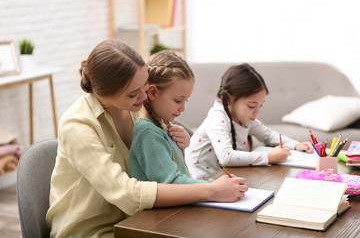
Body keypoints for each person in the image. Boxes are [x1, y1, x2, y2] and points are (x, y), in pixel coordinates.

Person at [46, 40, 248, 238]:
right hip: (92, 231)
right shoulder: (78, 126)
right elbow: (126, 193)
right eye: (134, 94)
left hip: (138, 222)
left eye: (145, 85)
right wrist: (210, 190)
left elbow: (156, 164)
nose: (145, 96)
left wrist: (180, 142)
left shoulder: (135, 110)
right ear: (105, 93)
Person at [185, 63, 313, 180]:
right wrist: (270, 157)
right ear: (229, 99)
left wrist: (296, 145)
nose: (257, 112)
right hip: (203, 182)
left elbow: (268, 135)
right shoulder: (217, 118)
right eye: (252, 106)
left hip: (224, 178)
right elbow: (226, 156)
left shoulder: (243, 118)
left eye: (260, 106)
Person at [130, 51, 209, 184]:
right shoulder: (148, 133)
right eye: (178, 100)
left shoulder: (162, 126)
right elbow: (172, 182)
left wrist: (181, 145)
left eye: (186, 101)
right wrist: (213, 187)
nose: (183, 108)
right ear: (153, 92)